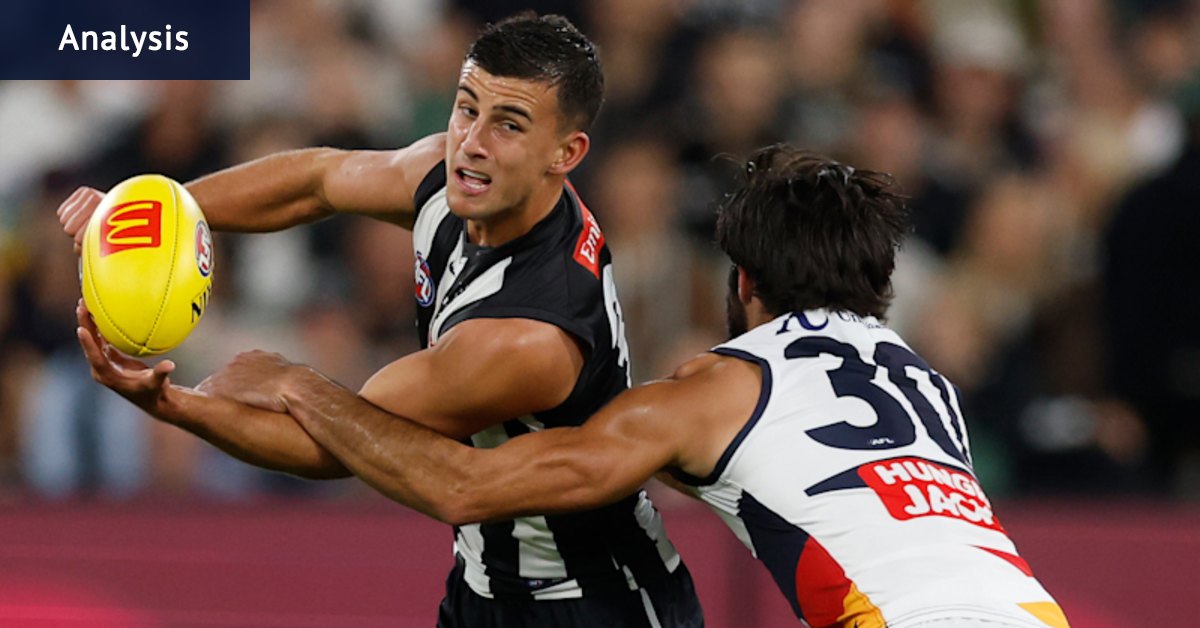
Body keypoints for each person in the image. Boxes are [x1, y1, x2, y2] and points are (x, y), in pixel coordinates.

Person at [181, 144, 1071, 628]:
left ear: (743, 287)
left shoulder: (711, 391)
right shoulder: (925, 383)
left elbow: (464, 486)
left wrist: (301, 385)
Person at [63, 13, 703, 628]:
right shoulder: (453, 175)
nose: (471, 143)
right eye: (466, 107)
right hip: (484, 584)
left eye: (509, 125)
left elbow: (341, 444)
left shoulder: (527, 335)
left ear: (566, 152)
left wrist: (192, 400)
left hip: (596, 603)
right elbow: (316, 180)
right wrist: (156, 212)